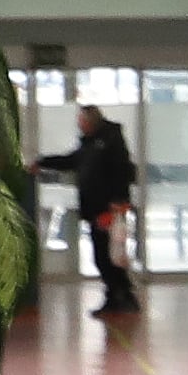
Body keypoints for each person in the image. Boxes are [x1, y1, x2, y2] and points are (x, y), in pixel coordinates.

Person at [43, 105, 140, 314]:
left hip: (109, 210)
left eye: (82, 121)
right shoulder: (89, 145)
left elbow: (122, 171)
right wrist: (43, 162)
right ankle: (117, 295)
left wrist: (117, 201)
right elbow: (71, 161)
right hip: (95, 209)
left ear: (91, 121)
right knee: (102, 255)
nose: (79, 124)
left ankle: (122, 295)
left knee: (109, 255)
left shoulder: (110, 141)